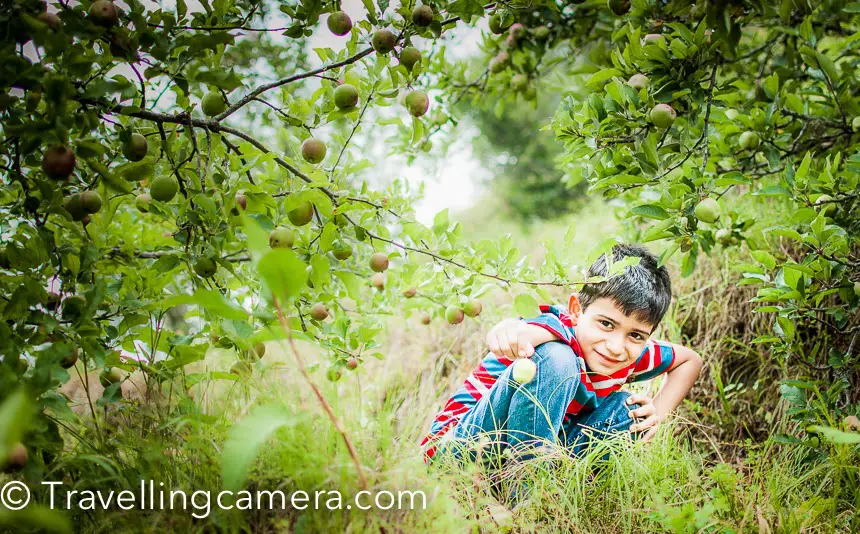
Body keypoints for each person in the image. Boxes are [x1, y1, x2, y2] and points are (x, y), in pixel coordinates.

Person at [421, 244, 703, 474]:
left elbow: (690, 361)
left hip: (529, 451)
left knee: (628, 411)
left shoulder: (631, 352)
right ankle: (527, 500)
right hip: (459, 447)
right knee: (557, 358)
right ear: (576, 310)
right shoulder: (555, 328)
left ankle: (549, 487)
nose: (616, 346)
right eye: (606, 323)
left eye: (637, 335)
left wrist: (657, 413)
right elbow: (529, 332)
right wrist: (509, 331)